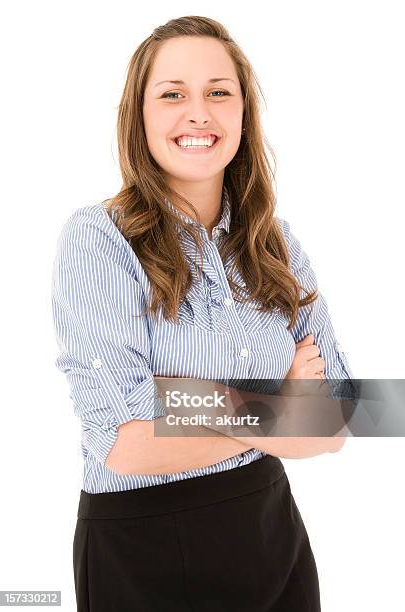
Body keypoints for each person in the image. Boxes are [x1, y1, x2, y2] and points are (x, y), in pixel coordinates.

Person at [51, 15, 355, 612]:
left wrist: (179, 401)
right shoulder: (99, 239)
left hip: (272, 533)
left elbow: (342, 417)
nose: (199, 113)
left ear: (244, 111)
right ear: (138, 117)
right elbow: (124, 441)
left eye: (219, 92)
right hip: (146, 547)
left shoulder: (277, 242)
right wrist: (276, 410)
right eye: (172, 95)